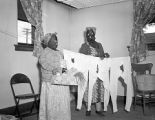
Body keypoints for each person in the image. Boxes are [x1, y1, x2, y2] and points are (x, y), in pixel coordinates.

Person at [38, 33, 71, 120]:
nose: (56, 42)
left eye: (57, 40)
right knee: (52, 102)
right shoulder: (44, 52)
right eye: (54, 40)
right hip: (50, 82)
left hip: (61, 81)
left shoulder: (60, 52)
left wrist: (65, 69)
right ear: (47, 42)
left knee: (62, 101)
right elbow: (43, 63)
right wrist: (53, 69)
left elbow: (64, 64)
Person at [79, 27, 109, 116]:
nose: (90, 36)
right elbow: (81, 58)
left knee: (99, 90)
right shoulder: (84, 46)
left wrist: (105, 55)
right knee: (89, 89)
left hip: (99, 71)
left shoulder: (99, 45)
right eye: (88, 35)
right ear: (85, 36)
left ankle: (98, 109)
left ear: (95, 35)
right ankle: (88, 109)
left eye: (92, 34)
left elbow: (102, 57)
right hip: (89, 72)